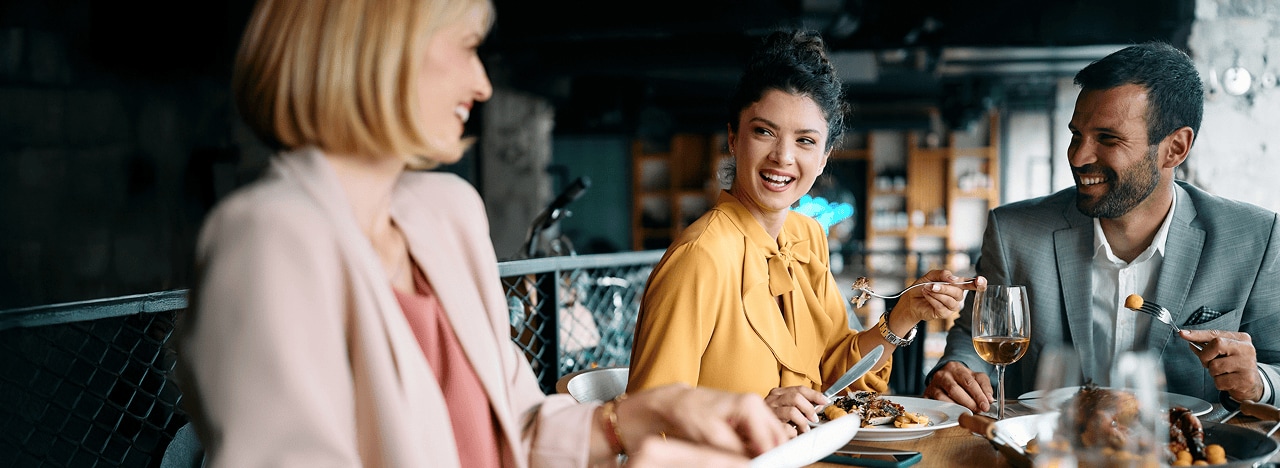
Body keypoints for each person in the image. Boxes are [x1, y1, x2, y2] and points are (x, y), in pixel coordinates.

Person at [172, 0, 791, 466]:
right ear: (380, 48)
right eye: (468, 47)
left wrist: (633, 418)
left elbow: (514, 429)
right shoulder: (267, 240)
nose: (484, 84)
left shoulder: (449, 213)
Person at [626, 29, 983, 433]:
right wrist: (747, 416)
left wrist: (903, 315)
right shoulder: (700, 258)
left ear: (824, 157)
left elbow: (836, 377)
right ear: (732, 137)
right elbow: (642, 423)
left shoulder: (807, 236)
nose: (783, 157)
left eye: (805, 141)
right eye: (764, 132)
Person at [923, 41, 1280, 414]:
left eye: (1107, 139)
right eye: (1076, 135)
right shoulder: (1013, 232)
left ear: (1175, 148)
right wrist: (958, 370)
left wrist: (1258, 383)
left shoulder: (1254, 237)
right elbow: (974, 338)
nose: (1078, 156)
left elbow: (1276, 368)